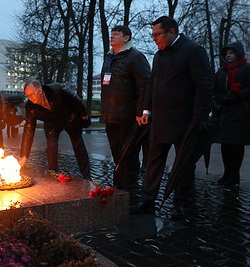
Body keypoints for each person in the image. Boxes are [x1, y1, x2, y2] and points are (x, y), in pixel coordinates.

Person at [132, 16, 213, 218]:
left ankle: (182, 204)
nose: (154, 39)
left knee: (183, 164)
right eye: (152, 36)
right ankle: (147, 199)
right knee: (153, 160)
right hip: (160, 119)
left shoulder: (193, 51)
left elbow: (204, 86)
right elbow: (152, 84)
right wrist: (146, 110)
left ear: (172, 32)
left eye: (157, 35)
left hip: (185, 121)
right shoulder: (159, 55)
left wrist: (198, 119)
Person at [100, 25, 150, 192]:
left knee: (129, 153)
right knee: (117, 153)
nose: (112, 37)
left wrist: (141, 111)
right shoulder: (109, 57)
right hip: (111, 115)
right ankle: (120, 185)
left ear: (126, 38)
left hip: (127, 116)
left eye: (116, 34)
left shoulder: (135, 57)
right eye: (111, 34)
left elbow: (144, 84)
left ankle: (130, 189)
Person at [19, 79, 91, 178]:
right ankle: (53, 173)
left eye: (32, 94)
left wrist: (83, 113)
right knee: (51, 147)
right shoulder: (30, 107)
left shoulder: (57, 89)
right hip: (51, 124)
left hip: (69, 118)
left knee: (78, 145)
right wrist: (24, 155)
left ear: (39, 91)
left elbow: (75, 99)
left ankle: (86, 174)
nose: (30, 98)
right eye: (27, 96)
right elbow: (29, 129)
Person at [214, 42, 250, 187]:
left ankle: (235, 175)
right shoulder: (222, 71)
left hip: (240, 112)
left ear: (238, 54)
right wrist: (219, 99)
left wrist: (237, 94)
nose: (228, 56)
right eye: (227, 53)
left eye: (231, 53)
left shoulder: (246, 69)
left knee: (236, 145)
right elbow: (215, 88)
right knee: (226, 144)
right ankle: (227, 173)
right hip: (225, 112)